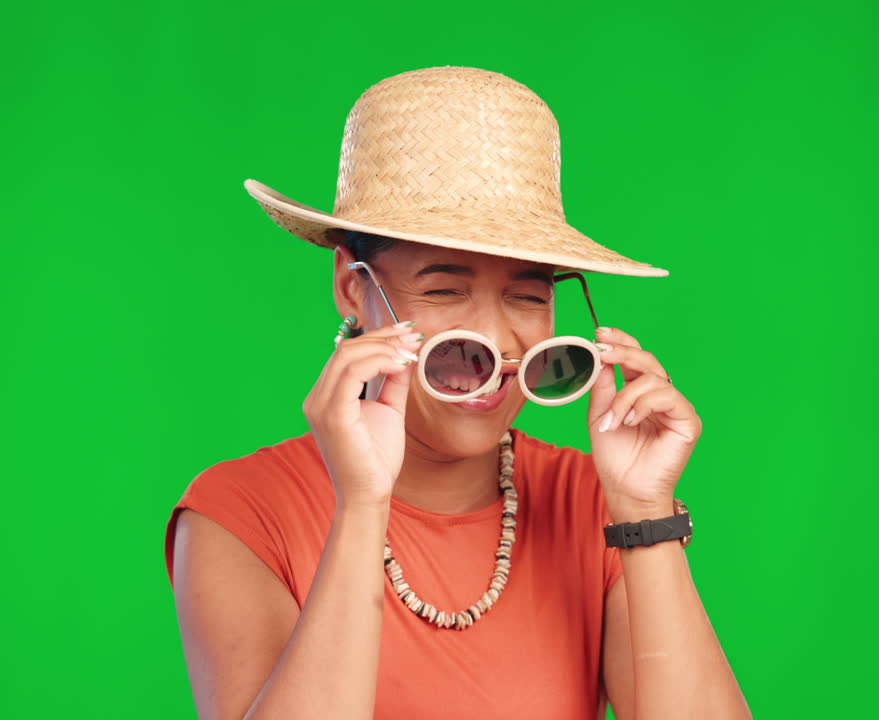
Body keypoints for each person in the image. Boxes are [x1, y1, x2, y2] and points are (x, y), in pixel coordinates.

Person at [163, 66, 751, 720]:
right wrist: (362, 507)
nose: (497, 341)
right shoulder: (238, 514)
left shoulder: (591, 502)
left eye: (528, 295)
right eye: (445, 288)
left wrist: (645, 510)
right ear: (353, 288)